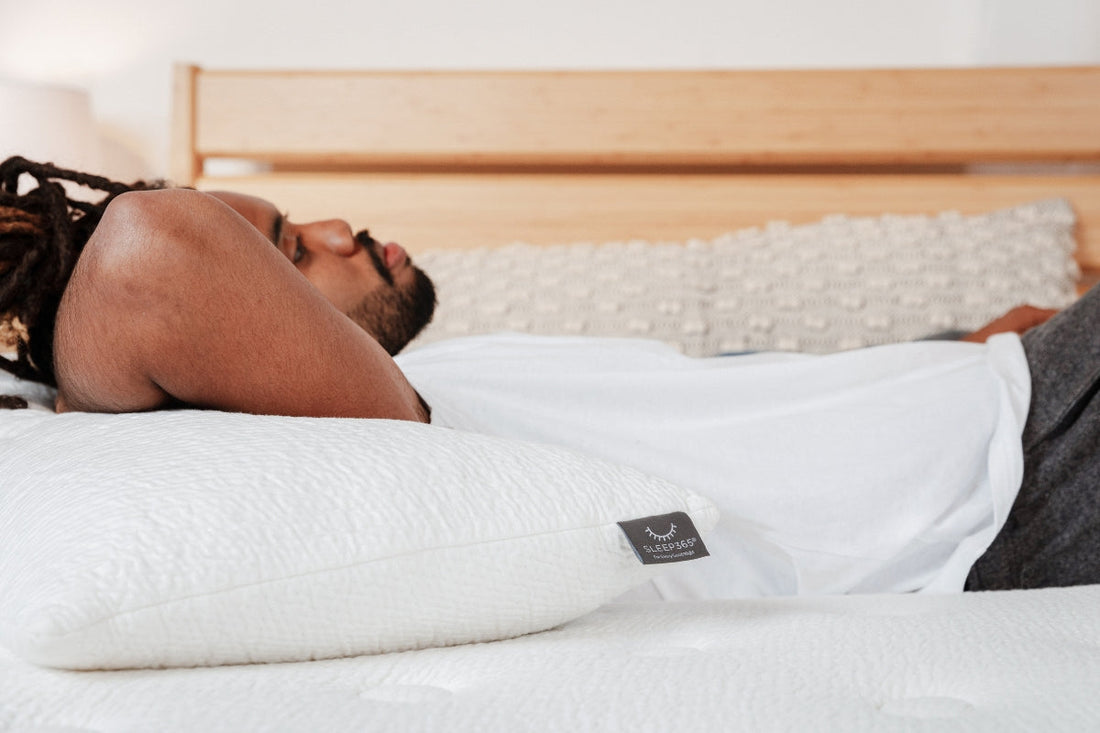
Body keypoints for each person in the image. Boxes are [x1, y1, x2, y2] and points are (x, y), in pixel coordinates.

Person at [1, 156, 1096, 598]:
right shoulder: (405, 448)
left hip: (999, 393)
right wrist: (34, 277)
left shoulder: (458, 381)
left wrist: (941, 349)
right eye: (284, 252)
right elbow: (150, 259)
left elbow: (706, 422)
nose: (342, 227)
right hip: (1014, 480)